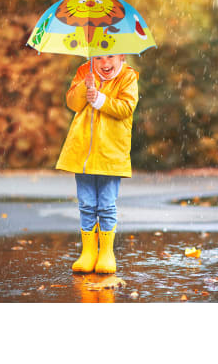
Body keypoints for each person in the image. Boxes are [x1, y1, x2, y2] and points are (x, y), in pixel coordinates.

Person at [56, 54, 139, 273]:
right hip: (83, 151)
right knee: (86, 204)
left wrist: (100, 99)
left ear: (121, 55)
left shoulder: (128, 77)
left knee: (106, 204)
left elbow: (126, 108)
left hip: (110, 153)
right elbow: (73, 103)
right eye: (99, 58)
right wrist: (86, 86)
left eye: (110, 57)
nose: (105, 63)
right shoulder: (85, 71)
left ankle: (106, 253)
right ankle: (88, 252)